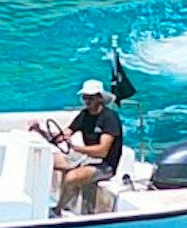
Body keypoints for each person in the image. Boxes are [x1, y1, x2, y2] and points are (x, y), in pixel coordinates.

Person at [39, 77, 125, 216]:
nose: (87, 101)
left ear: (99, 98)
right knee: (53, 161)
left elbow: (102, 151)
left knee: (72, 177)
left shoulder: (109, 118)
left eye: (90, 98)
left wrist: (76, 148)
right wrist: (40, 131)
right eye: (85, 98)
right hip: (87, 159)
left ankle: (57, 210)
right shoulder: (84, 115)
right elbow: (63, 135)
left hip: (105, 165)